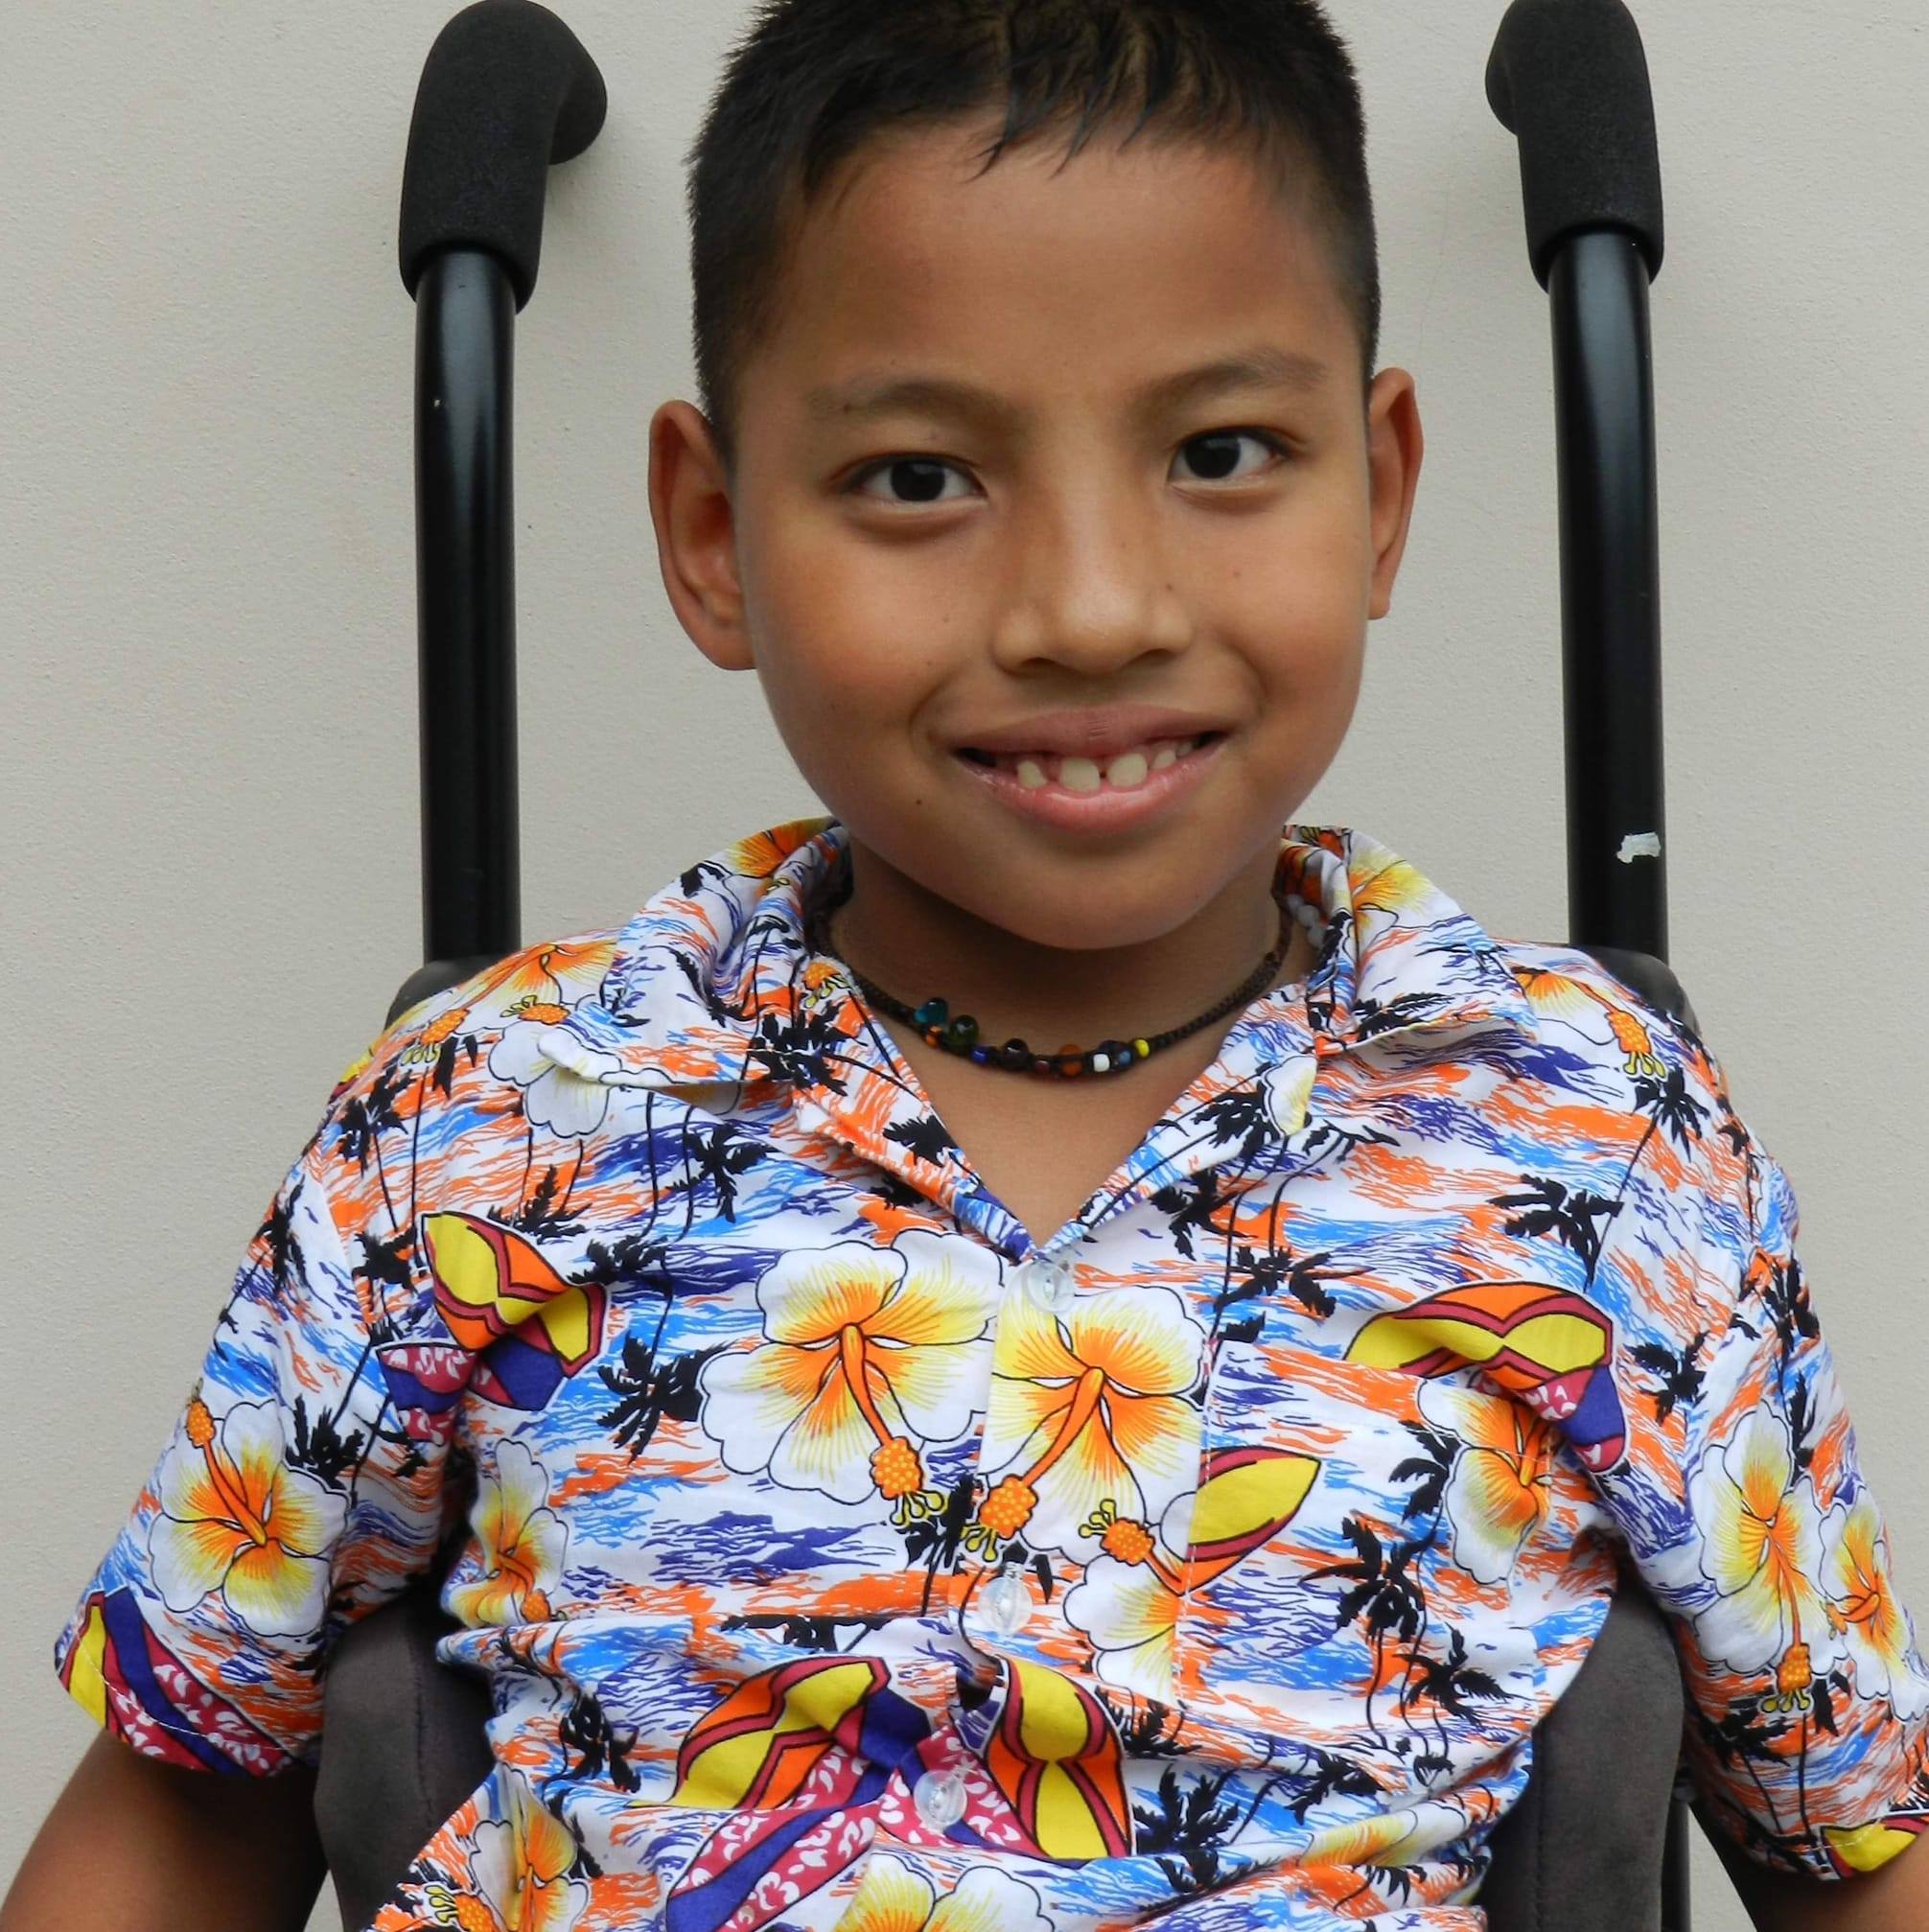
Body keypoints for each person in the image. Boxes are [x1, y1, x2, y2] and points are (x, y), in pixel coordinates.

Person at [9, 3, 1928, 1927]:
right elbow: (183, 1805)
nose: (1089, 609)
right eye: (922, 480)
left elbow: (1849, 1843)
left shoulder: (1586, 1135)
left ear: (1381, 489)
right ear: (713, 535)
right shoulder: (489, 1119)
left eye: (1222, 452)